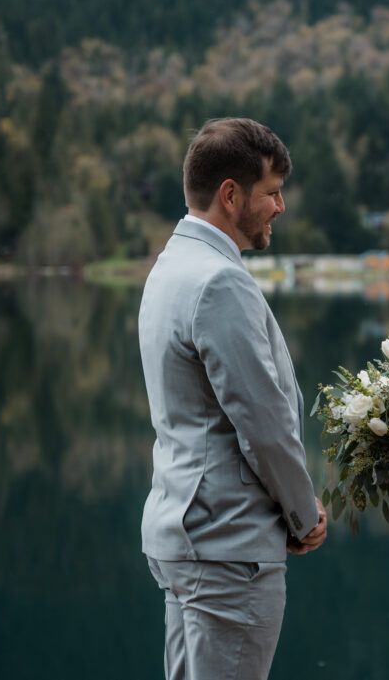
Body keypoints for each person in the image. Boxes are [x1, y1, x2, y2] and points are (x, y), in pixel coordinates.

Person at [138, 117, 327, 680]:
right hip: (227, 544)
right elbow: (263, 422)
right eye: (271, 192)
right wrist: (301, 514)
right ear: (230, 195)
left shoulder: (171, 267)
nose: (280, 206)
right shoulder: (219, 281)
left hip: (186, 533)